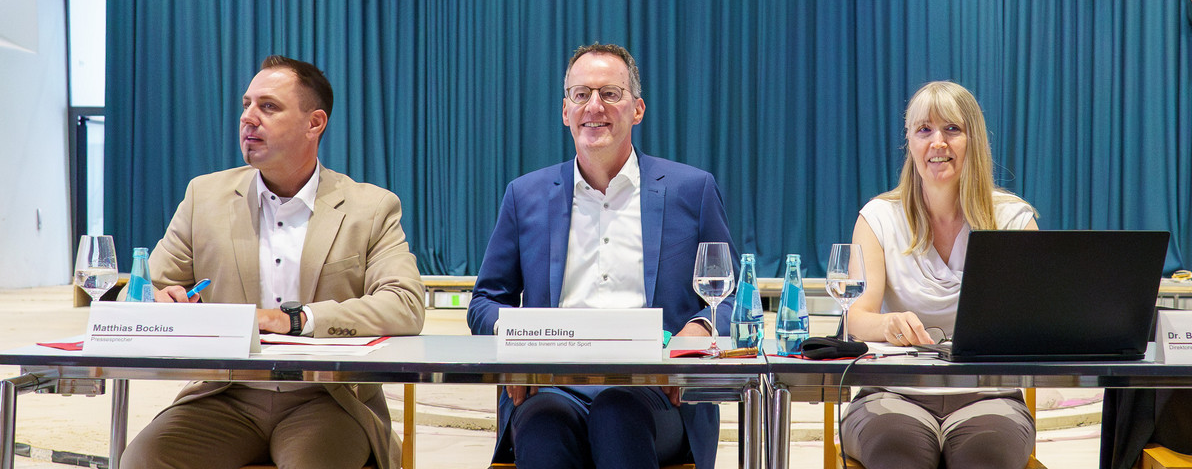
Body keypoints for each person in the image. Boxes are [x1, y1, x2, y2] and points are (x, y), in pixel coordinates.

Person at [120, 55, 426, 469]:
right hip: (225, 394)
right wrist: (159, 299)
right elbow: (136, 294)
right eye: (246, 104)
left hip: (327, 399)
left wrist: (295, 320)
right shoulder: (204, 198)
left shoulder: (369, 207)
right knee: (144, 459)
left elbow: (404, 305)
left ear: (314, 123)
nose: (248, 118)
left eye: (268, 106)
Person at [467, 43, 736, 469]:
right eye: (581, 95)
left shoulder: (692, 190)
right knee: (541, 424)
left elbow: (736, 298)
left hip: (655, 394)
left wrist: (702, 328)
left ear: (638, 109)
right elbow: (483, 302)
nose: (594, 106)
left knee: (616, 413)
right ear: (565, 111)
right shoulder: (525, 195)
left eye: (610, 93)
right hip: (553, 386)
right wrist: (517, 339)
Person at [840, 80, 1039, 469]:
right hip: (891, 395)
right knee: (900, 456)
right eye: (924, 130)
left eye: (952, 129)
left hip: (990, 397)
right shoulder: (879, 218)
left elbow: (1038, 323)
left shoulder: (1013, 219)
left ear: (974, 140)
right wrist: (887, 323)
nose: (938, 143)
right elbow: (855, 317)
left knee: (984, 459)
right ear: (910, 143)